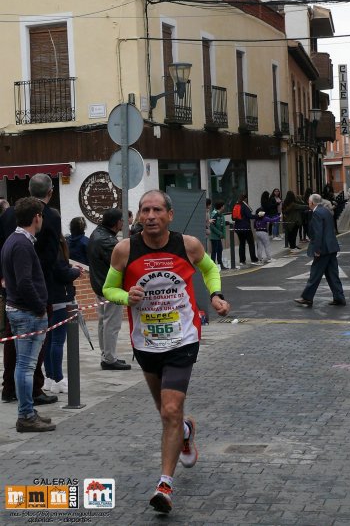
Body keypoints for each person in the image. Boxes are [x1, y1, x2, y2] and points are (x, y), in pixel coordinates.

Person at [102, 189, 230, 513]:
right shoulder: (124, 250)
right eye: (145, 210)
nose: (150, 216)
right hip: (146, 342)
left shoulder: (188, 245)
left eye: (157, 210)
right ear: (138, 216)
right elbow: (108, 288)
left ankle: (165, 485)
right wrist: (124, 297)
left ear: (169, 215)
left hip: (183, 338)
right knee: (165, 411)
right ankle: (186, 431)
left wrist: (215, 295)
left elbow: (210, 268)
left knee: (171, 410)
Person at [1, 173, 60, 405]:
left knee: (12, 341)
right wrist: (40, 302)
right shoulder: (50, 217)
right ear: (50, 192)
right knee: (34, 348)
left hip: (11, 289)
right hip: (35, 290)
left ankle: (9, 387)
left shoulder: (7, 215)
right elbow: (50, 258)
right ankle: (33, 392)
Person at [87, 208, 130, 370]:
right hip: (110, 287)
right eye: (122, 220)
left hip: (99, 285)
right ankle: (109, 359)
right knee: (111, 324)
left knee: (103, 322)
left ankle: (106, 355)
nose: (123, 223)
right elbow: (124, 262)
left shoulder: (97, 234)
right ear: (116, 222)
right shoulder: (108, 241)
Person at [43, 235, 82, 394]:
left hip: (49, 299)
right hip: (60, 298)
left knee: (49, 340)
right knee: (57, 341)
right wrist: (75, 271)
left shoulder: (41, 246)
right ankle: (58, 379)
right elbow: (62, 273)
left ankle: (50, 377)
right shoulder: (55, 249)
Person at [294, 194, 346, 308]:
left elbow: (318, 233)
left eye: (308, 202)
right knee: (332, 274)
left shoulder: (317, 213)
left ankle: (307, 298)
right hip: (331, 247)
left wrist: (317, 249)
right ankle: (339, 297)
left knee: (315, 273)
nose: (308, 203)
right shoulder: (326, 211)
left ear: (312, 203)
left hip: (323, 248)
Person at [233, 193, 262, 266]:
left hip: (238, 228)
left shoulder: (236, 205)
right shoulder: (244, 206)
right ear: (245, 199)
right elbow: (250, 216)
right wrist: (258, 216)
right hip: (246, 227)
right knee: (251, 243)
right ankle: (253, 259)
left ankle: (242, 260)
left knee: (242, 244)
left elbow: (233, 217)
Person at [209, 200, 227, 269]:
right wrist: (219, 233)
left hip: (218, 236)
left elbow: (221, 223)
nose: (224, 207)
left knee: (220, 249)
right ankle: (212, 265)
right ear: (221, 207)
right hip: (214, 236)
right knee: (214, 250)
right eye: (223, 206)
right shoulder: (215, 214)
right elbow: (212, 226)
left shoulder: (220, 214)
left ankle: (220, 264)